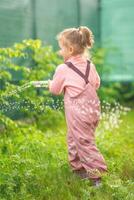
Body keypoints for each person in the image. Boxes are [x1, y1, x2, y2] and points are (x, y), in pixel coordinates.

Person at [33, 26, 107, 186]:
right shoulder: (90, 65)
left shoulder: (63, 69)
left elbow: (55, 89)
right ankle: (78, 169)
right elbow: (97, 83)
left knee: (84, 142)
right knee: (74, 138)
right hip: (93, 110)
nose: (60, 52)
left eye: (61, 48)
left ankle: (97, 177)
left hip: (78, 114)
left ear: (71, 49)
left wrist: (50, 83)